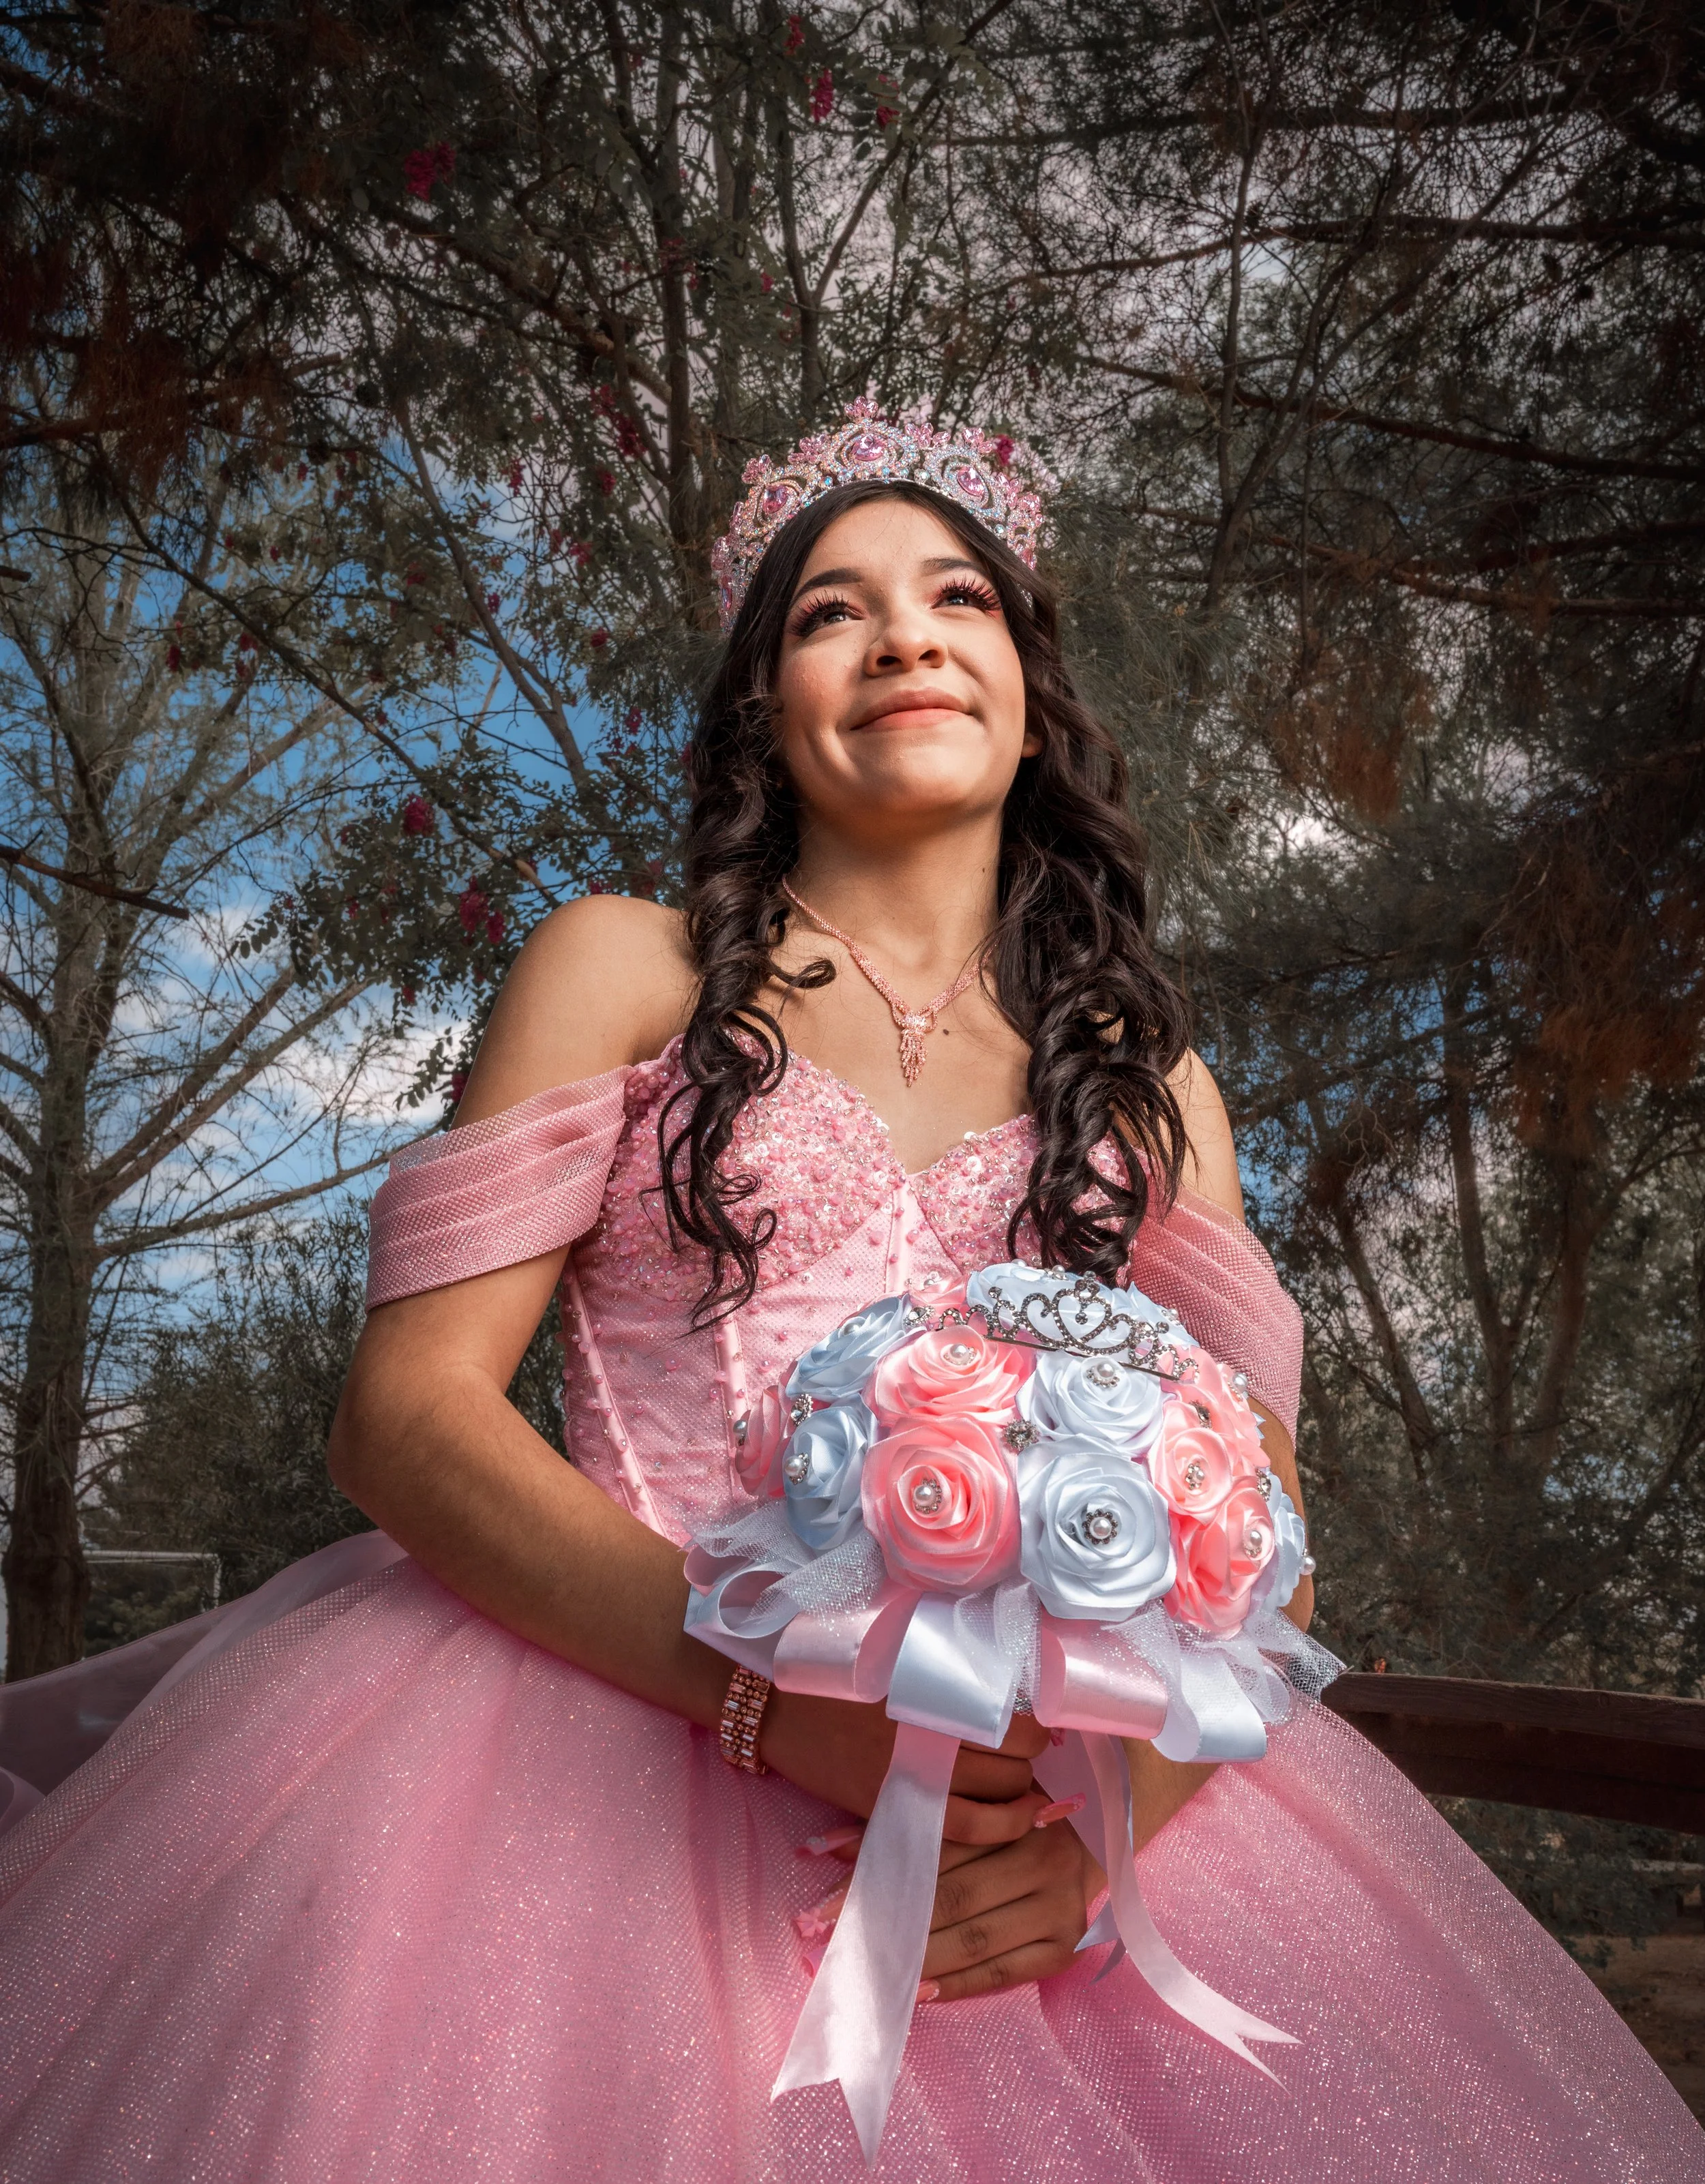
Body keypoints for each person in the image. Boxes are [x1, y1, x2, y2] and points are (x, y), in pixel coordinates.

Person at [0, 404, 1694, 2182]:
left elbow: (1257, 1521)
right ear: (765, 702)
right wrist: (767, 1703)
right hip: (584, 1730)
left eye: (954, 595)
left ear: (1024, 687)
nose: (900, 634)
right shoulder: (622, 966)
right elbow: (405, 1416)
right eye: (831, 610)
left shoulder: (1149, 1083)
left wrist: (1114, 1822)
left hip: (1031, 1795)